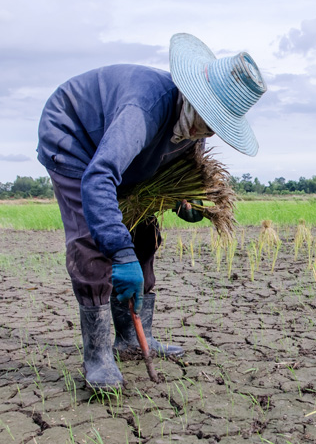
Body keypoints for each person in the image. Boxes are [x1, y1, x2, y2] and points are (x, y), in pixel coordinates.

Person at [36, 33, 266, 390]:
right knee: (92, 241)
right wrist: (119, 252)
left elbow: (160, 171)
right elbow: (99, 177)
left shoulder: (195, 129)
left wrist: (182, 204)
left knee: (144, 235)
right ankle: (97, 357)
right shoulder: (143, 109)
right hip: (75, 138)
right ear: (191, 95)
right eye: (205, 116)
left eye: (214, 125)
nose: (203, 130)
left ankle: (131, 339)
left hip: (118, 157)